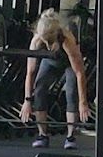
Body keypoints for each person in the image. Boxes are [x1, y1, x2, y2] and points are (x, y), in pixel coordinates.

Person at [19, 9, 92, 149]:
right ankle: (42, 135)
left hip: (69, 64)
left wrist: (83, 102)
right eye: (45, 42)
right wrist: (27, 101)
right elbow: (30, 73)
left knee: (71, 92)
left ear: (56, 34)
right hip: (50, 63)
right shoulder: (36, 42)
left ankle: (71, 137)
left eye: (50, 42)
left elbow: (79, 73)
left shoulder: (67, 40)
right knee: (39, 88)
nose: (48, 46)